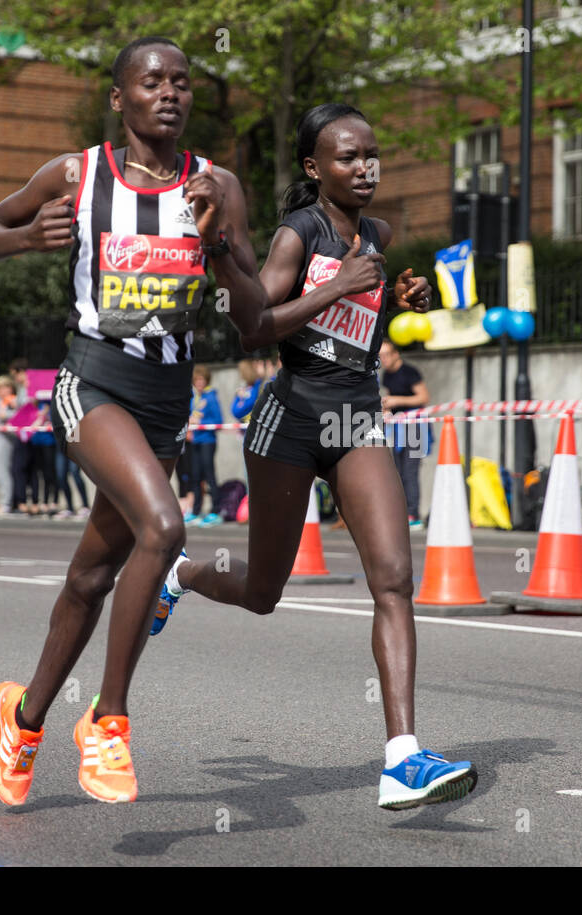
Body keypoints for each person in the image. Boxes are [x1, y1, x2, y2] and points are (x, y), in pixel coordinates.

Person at [155, 103, 477, 812]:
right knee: (264, 592)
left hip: (357, 418)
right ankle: (180, 575)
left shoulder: (380, 233)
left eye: (371, 156)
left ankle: (402, 758)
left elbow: (362, 318)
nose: (364, 168)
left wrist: (398, 295)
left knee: (393, 576)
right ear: (314, 168)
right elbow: (254, 326)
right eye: (346, 157)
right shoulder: (298, 235)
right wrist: (337, 286)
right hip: (290, 421)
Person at [0, 35, 265, 805]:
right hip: (93, 379)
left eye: (180, 82)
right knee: (163, 530)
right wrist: (25, 238)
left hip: (168, 394)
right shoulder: (78, 173)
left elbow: (253, 307)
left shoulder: (218, 185)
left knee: (92, 574)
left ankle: (25, 719)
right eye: (151, 82)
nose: (168, 93)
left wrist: (221, 242)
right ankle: (108, 723)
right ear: (120, 98)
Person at [378, 341, 431, 530]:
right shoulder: (387, 375)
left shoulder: (409, 372)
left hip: (416, 426)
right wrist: (387, 410)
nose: (383, 359)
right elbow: (392, 399)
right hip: (398, 426)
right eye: (380, 356)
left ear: (395, 354)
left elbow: (423, 397)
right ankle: (402, 513)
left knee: (410, 471)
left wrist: (395, 400)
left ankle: (413, 514)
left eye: (386, 355)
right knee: (398, 471)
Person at [186, 364, 223, 526]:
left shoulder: (211, 397)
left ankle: (216, 510)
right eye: (197, 380)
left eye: (202, 380)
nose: (199, 383)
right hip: (195, 441)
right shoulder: (193, 397)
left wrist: (200, 421)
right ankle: (196, 511)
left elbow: (218, 420)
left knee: (209, 475)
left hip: (208, 440)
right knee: (195, 475)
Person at [0, 374, 19, 515]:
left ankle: (6, 503)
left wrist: (6, 415)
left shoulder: (13, 401)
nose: (0, 390)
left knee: (3, 471)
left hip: (6, 438)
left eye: (3, 387)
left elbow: (22, 413)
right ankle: (6, 502)